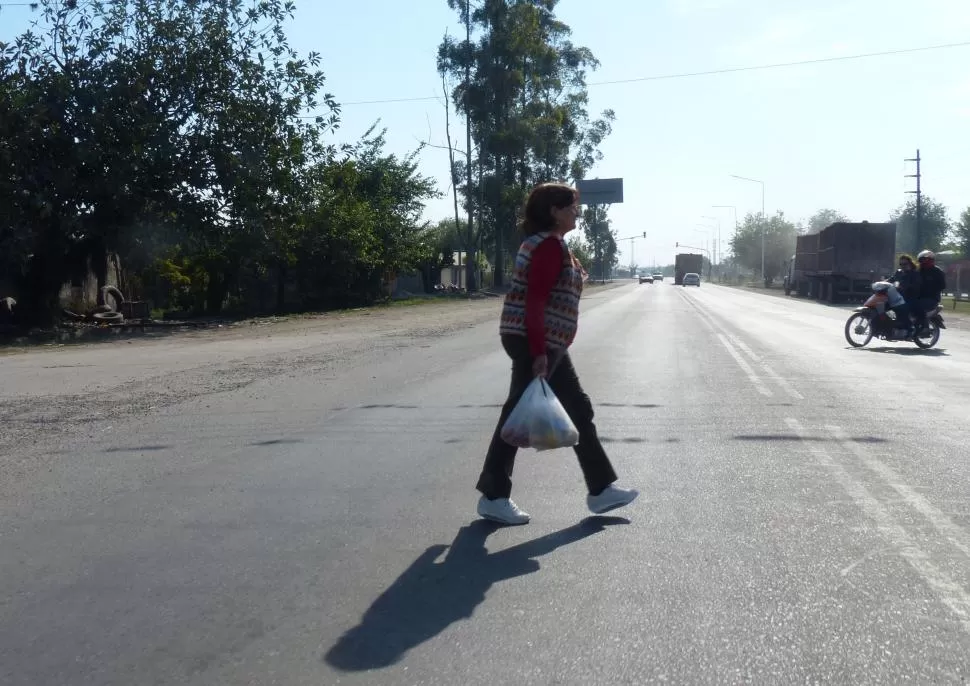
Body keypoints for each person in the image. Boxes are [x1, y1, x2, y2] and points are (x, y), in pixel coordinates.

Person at [475, 182, 639, 525]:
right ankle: (493, 496)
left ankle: (601, 489)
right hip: (536, 340)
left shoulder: (553, 245)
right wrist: (538, 353)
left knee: (578, 408)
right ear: (554, 210)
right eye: (571, 206)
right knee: (516, 415)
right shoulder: (548, 247)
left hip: (547, 342)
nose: (576, 212)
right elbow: (535, 301)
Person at [912, 250, 947, 334]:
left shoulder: (937, 271)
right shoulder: (918, 271)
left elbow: (943, 285)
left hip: (932, 298)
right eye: (922, 260)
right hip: (918, 297)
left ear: (932, 260)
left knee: (918, 305)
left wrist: (930, 287)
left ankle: (925, 327)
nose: (924, 262)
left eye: (926, 259)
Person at [885, 254, 921, 333]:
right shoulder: (898, 272)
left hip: (910, 297)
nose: (903, 266)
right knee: (886, 306)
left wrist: (906, 287)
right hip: (898, 297)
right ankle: (893, 323)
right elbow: (891, 279)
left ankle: (909, 327)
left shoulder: (914, 273)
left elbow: (916, 285)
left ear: (910, 263)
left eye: (905, 264)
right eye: (901, 264)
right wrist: (882, 283)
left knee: (903, 307)